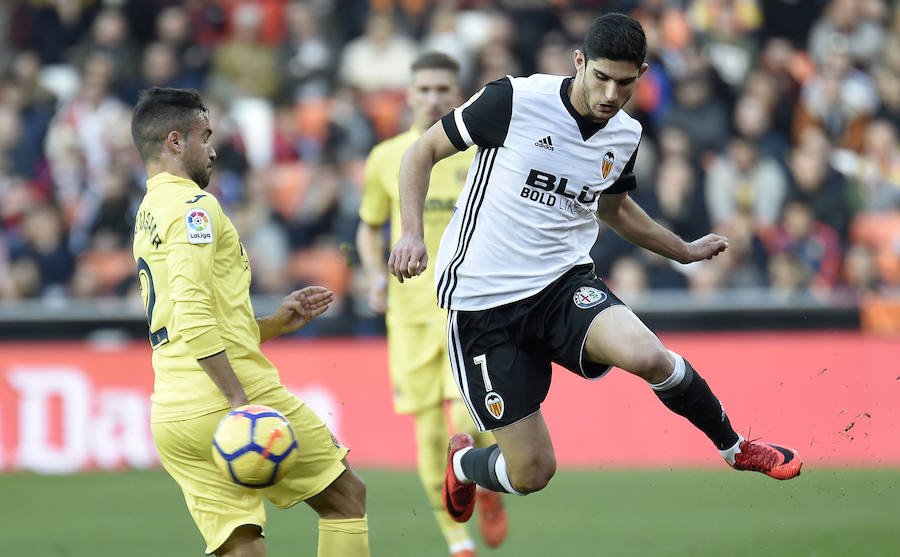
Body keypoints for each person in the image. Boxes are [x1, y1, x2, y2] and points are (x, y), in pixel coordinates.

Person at [387, 13, 803, 526]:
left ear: (643, 74)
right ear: (579, 62)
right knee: (533, 472)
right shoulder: (515, 100)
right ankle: (465, 464)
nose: (610, 93)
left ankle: (734, 447)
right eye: (601, 76)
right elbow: (421, 151)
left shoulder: (625, 134)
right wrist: (409, 231)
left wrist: (683, 251)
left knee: (647, 354)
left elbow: (614, 210)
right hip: (482, 301)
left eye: (625, 82)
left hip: (561, 284)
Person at [131, 87, 369, 557]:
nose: (214, 149)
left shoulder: (148, 213)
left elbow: (190, 319)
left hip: (174, 413)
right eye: (206, 135)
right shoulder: (194, 208)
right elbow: (194, 313)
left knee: (242, 543)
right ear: (175, 142)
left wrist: (275, 323)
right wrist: (240, 402)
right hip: (227, 397)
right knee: (346, 499)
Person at [356, 52, 508, 557]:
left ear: (458, 94)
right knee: (426, 429)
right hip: (409, 314)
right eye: (423, 89)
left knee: (469, 418)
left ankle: (481, 482)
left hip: (472, 306)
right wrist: (374, 274)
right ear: (409, 94)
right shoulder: (385, 157)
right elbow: (368, 226)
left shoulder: (485, 151)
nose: (432, 97)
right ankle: (457, 541)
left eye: (443, 88)